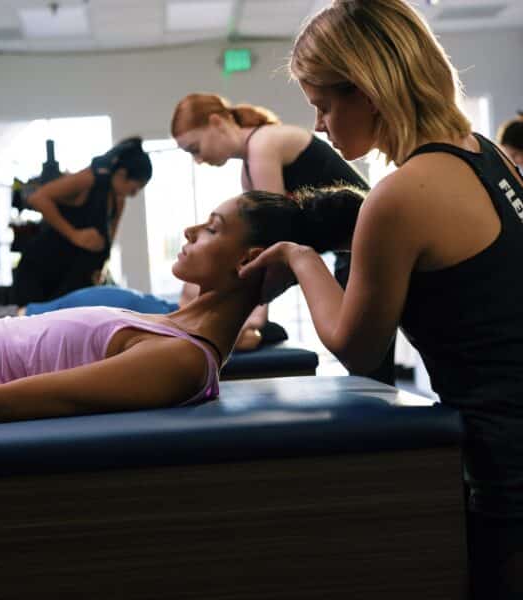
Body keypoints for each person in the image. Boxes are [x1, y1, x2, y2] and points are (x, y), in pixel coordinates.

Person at [237, 1, 523, 597]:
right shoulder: (487, 157)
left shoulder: (398, 196)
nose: (318, 125)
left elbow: (358, 348)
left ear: (369, 89)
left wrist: (301, 258)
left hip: (509, 467)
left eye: (323, 103)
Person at [0, 186, 364, 425]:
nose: (190, 230)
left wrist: (299, 257)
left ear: (246, 259)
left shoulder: (183, 359)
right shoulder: (170, 326)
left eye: (212, 228)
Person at [171, 92, 396, 384]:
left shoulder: (263, 145)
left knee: (368, 365)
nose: (199, 160)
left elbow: (273, 241)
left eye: (195, 148)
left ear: (216, 122)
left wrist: (251, 319)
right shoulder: (250, 164)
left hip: (364, 244)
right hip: (347, 246)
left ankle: (386, 424)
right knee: (366, 364)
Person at [11, 137, 153, 307]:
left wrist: (100, 268)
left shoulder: (119, 200)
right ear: (122, 174)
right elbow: (38, 198)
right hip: (40, 274)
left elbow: (108, 243)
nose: (134, 194)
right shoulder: (89, 179)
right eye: (134, 188)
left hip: (72, 281)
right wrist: (74, 235)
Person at [19, 282, 275, 352]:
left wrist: (254, 319)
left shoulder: (187, 327)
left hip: (23, 327)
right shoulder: (171, 308)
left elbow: (249, 336)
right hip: (25, 316)